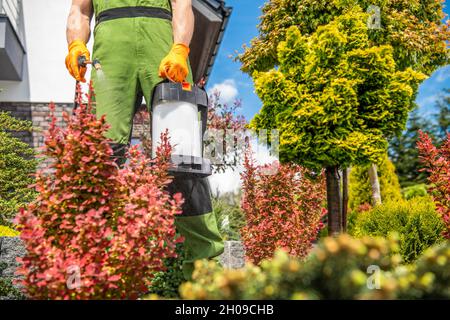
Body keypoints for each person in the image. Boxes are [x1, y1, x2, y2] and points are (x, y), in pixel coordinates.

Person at [65, 0, 224, 280]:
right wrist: (76, 44)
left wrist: (180, 47)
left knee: (182, 157)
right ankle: (91, 263)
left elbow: (182, 4)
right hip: (110, 52)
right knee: (101, 154)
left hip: (162, 44)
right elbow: (80, 9)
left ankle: (204, 267)